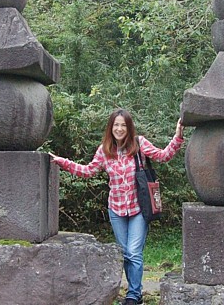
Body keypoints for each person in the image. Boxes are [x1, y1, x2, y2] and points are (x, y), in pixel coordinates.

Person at [49, 108, 184, 305]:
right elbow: (88, 171)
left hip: (139, 208)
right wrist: (62, 162)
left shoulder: (139, 144)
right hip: (116, 210)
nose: (119, 129)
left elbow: (163, 156)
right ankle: (134, 292)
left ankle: (134, 295)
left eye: (123, 125)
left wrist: (177, 136)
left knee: (133, 252)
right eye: (116, 125)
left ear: (129, 128)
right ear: (110, 128)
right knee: (126, 254)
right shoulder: (104, 151)